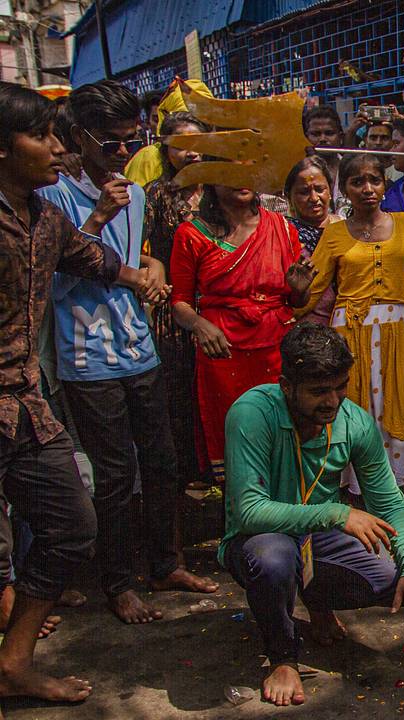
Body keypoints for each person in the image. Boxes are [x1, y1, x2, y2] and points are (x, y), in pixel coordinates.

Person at [0, 80, 163, 704]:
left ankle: (13, 661)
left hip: (24, 404)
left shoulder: (46, 218)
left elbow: (95, 263)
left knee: (72, 523)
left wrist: (143, 277)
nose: (55, 148)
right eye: (40, 136)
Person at [41, 80, 219, 626]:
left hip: (138, 346)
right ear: (79, 138)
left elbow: (136, 260)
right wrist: (94, 218)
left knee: (163, 464)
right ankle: (117, 582)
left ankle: (166, 563)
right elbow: (53, 286)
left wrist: (152, 276)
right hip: (85, 354)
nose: (122, 154)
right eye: (110, 144)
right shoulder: (53, 197)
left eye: (130, 141)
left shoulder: (135, 196)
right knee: (115, 475)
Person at [221, 323, 404, 707]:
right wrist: (336, 513)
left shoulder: (354, 421)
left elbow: (389, 503)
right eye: (319, 391)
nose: (333, 401)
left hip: (314, 539)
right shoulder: (251, 413)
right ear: (286, 386)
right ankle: (283, 656)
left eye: (340, 387)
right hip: (258, 538)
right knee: (273, 558)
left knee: (392, 575)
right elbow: (249, 511)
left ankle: (317, 604)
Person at [300, 153, 404, 544]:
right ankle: (363, 518)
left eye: (374, 180)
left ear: (384, 184)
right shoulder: (335, 235)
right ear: (345, 190)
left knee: (402, 417)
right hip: (350, 335)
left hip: (398, 333)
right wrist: (292, 293)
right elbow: (312, 290)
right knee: (356, 419)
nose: (368, 189)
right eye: (357, 182)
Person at [170, 183, 313, 485]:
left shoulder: (282, 228)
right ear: (212, 178)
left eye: (246, 171)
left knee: (284, 432)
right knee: (235, 436)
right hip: (222, 350)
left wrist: (300, 291)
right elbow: (179, 302)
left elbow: (295, 300)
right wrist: (199, 324)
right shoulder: (192, 233)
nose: (240, 180)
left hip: (276, 346)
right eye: (229, 172)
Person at [142, 111, 208, 489]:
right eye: (181, 147)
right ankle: (189, 473)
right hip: (175, 304)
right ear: (165, 150)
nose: (191, 154)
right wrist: (155, 267)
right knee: (181, 389)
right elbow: (132, 247)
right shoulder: (155, 194)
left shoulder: (219, 188)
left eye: (199, 146)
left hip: (217, 302)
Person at [284, 156, 342, 325]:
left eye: (319, 189)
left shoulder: (346, 227)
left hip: (350, 324)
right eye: (304, 192)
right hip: (304, 327)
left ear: (330, 191)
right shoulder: (283, 233)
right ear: (289, 195)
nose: (314, 198)